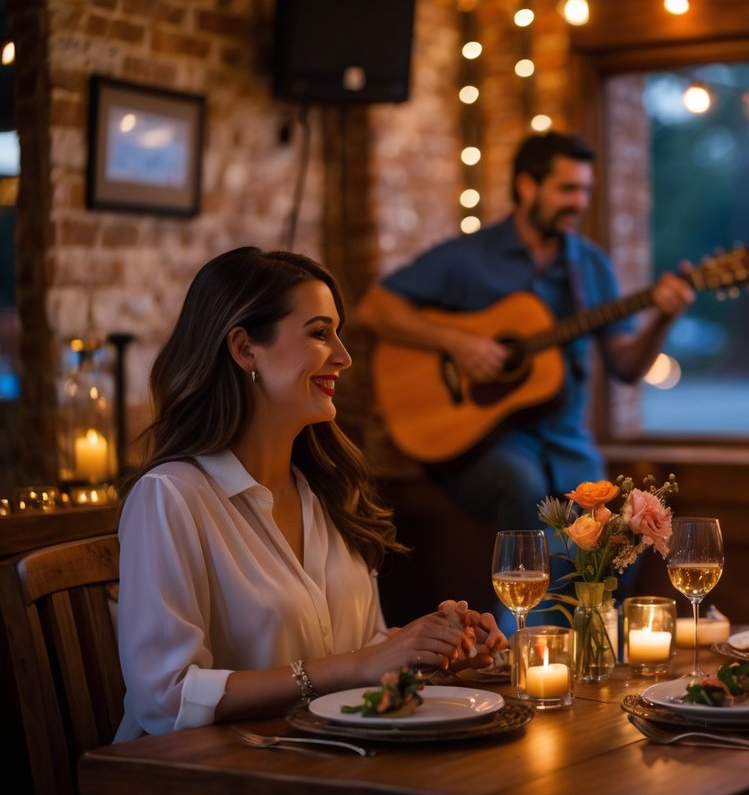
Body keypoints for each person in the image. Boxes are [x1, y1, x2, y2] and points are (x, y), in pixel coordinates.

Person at [115, 247, 506, 740]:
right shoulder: (169, 497)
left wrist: (430, 646)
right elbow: (165, 699)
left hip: (322, 762)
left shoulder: (327, 493)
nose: (343, 357)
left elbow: (363, 651)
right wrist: (362, 663)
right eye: (320, 333)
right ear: (244, 349)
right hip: (201, 776)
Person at [355, 132, 694, 622]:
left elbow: (625, 367)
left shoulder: (590, 265)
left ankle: (597, 642)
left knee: (628, 523)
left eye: (584, 191)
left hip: (567, 442)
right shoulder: (470, 258)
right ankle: (516, 638)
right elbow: (375, 308)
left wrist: (663, 317)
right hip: (480, 446)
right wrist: (457, 342)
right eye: (566, 189)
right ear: (527, 187)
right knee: (524, 484)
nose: (578, 203)